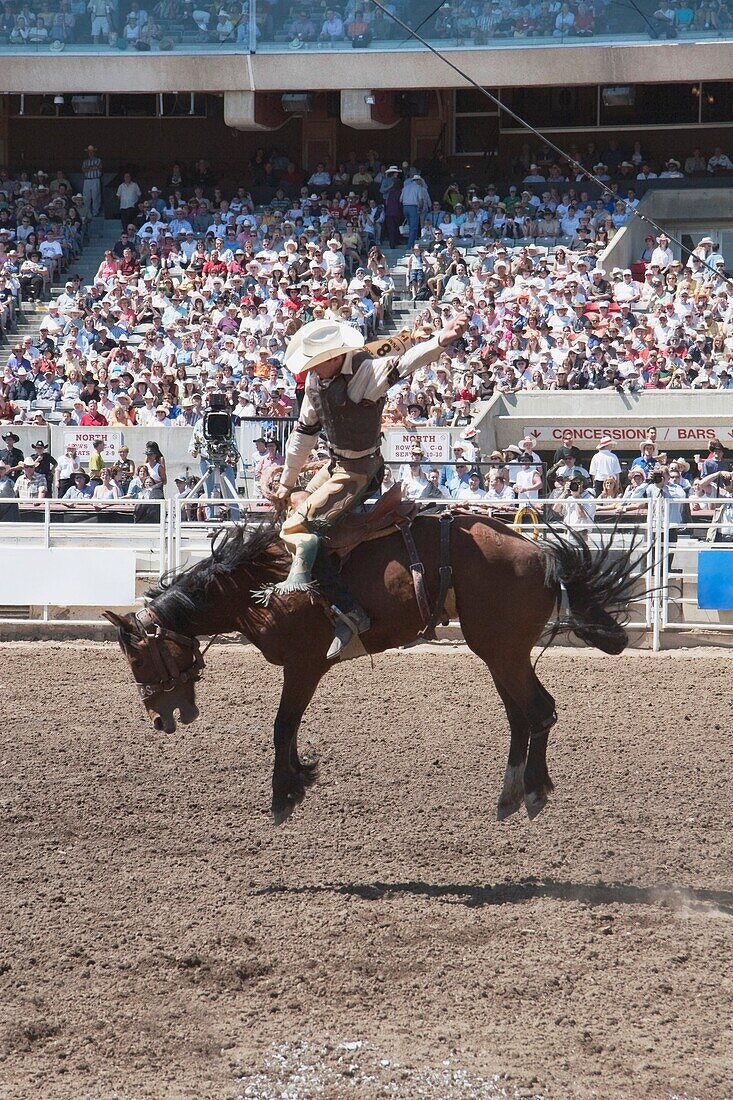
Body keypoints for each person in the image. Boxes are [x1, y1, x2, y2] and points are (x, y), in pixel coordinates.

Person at [271, 311, 468, 659]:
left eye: (315, 363)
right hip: (337, 466)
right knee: (295, 511)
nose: (311, 370)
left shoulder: (364, 374)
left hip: (359, 471)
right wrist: (287, 483)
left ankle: (349, 612)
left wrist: (439, 340)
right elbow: (302, 435)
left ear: (333, 357)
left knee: (298, 526)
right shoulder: (317, 383)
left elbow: (404, 363)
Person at [188, 393, 240, 521]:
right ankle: (210, 521)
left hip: (224, 460)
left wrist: (232, 457)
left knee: (230, 491)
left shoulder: (229, 424)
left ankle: (236, 521)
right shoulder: (200, 424)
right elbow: (193, 444)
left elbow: (232, 442)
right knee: (209, 490)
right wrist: (194, 450)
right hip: (207, 460)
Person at [82, 144, 103, 217]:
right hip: (87, 180)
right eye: (89, 152)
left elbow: (99, 167)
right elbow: (84, 170)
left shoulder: (98, 160)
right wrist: (93, 167)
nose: (90, 153)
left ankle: (95, 212)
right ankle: (87, 212)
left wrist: (89, 168)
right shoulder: (85, 161)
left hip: (95, 179)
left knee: (96, 196)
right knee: (86, 197)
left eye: (92, 151)